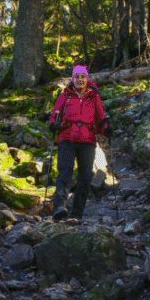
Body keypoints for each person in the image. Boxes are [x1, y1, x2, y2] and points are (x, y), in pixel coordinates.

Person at [47, 65, 110, 220]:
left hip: (88, 141)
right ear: (72, 79)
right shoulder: (64, 96)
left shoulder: (94, 97)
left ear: (87, 79)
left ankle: (77, 213)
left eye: (82, 76)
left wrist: (107, 130)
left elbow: (101, 120)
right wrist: (52, 125)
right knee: (65, 171)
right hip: (67, 138)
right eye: (77, 77)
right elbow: (54, 116)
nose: (80, 80)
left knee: (86, 177)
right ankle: (59, 207)